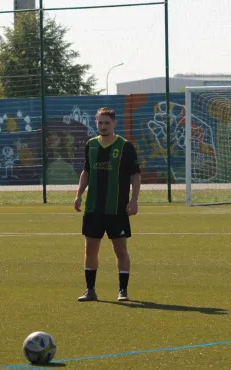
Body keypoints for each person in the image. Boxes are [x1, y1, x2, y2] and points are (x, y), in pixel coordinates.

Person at [74, 107, 141, 302]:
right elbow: (86, 172)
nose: (103, 126)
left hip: (117, 207)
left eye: (107, 123)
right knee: (90, 248)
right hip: (93, 207)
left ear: (114, 123)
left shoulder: (125, 146)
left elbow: (135, 175)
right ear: (96, 123)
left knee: (120, 249)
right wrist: (78, 195)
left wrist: (134, 200)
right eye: (100, 123)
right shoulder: (91, 145)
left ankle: (123, 291)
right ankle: (90, 290)